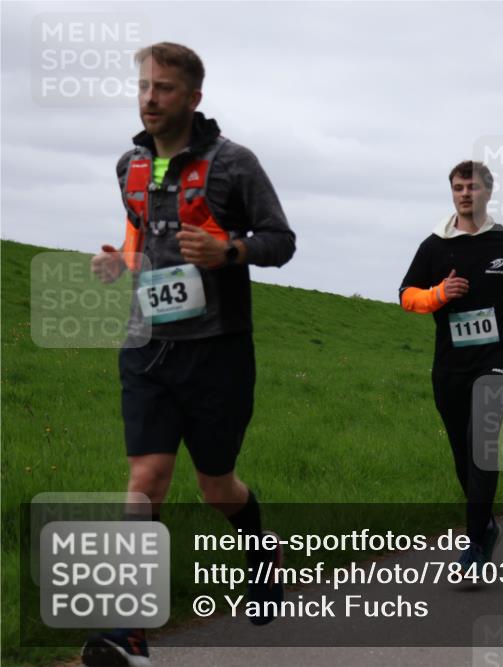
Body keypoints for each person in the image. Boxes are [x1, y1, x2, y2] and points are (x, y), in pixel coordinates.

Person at [86, 43, 295, 666]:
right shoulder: (129, 165)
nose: (150, 98)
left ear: (194, 97)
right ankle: (128, 633)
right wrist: (117, 262)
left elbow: (280, 241)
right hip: (148, 347)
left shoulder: (235, 164)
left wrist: (228, 251)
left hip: (219, 353)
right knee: (146, 481)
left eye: (165, 89)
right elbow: (141, 239)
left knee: (215, 486)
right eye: (144, 86)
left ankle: (263, 550)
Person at [400, 160, 503, 571]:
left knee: (481, 442)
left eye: (472, 187)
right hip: (449, 364)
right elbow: (406, 294)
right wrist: (438, 294)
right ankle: (485, 526)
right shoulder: (434, 245)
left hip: (497, 358)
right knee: (461, 450)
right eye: (457, 187)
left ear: (488, 191)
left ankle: (472, 546)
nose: (465, 193)